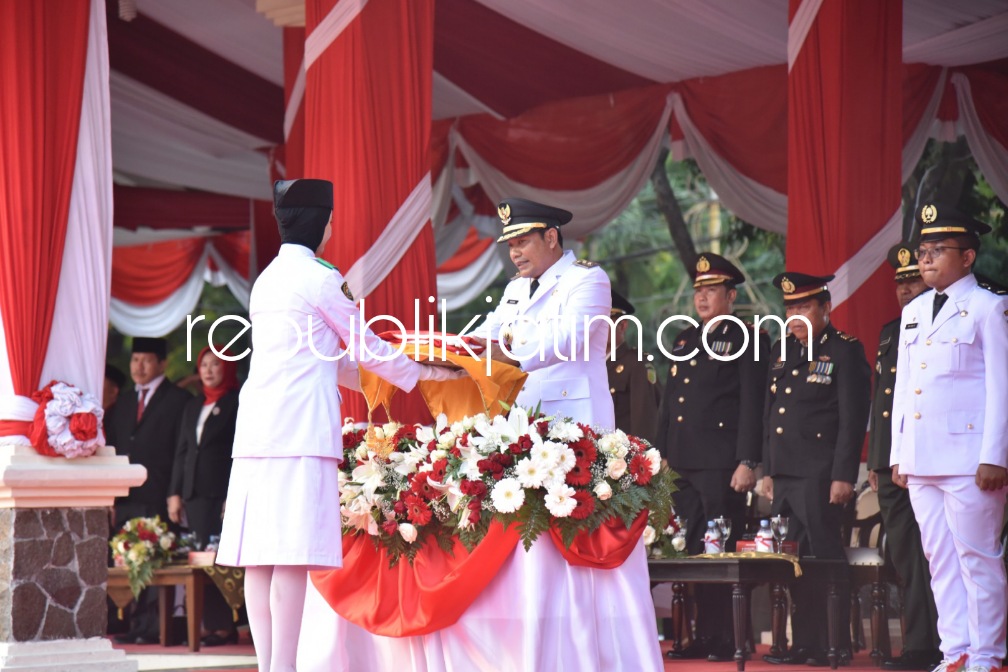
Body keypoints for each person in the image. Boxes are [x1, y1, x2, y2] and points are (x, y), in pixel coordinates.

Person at [215, 178, 457, 672]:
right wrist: (431, 373)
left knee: (260, 556)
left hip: (258, 430)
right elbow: (363, 348)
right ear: (322, 223)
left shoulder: (267, 280)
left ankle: (270, 667)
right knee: (290, 553)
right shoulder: (323, 278)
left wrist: (394, 377)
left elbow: (328, 359)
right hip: (299, 431)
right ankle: (282, 669)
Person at [890, 202, 1008, 672]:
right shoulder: (914, 310)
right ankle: (955, 650)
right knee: (939, 560)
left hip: (968, 457)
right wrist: (900, 451)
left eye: (938, 250)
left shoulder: (990, 306)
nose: (927, 258)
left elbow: (1001, 385)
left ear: (968, 257)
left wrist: (996, 455)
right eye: (923, 250)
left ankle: (988, 654)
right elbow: (904, 387)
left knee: (977, 559)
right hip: (922, 458)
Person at [656, 252, 769, 662]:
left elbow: (752, 405)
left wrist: (748, 460)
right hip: (683, 461)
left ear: (731, 295)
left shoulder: (748, 337)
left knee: (719, 553)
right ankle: (702, 636)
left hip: (722, 463)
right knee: (690, 551)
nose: (702, 298)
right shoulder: (684, 337)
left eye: (711, 290)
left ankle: (727, 638)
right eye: (698, 290)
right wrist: (663, 451)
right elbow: (671, 403)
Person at [761, 272, 871, 667]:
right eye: (790, 308)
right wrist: (767, 470)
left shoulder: (844, 350)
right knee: (792, 563)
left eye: (803, 306)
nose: (795, 315)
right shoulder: (782, 349)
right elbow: (769, 414)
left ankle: (835, 643)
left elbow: (852, 419)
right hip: (786, 474)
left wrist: (844, 474)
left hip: (821, 474)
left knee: (824, 559)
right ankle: (804, 643)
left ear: (825, 308)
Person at [866, 242, 941, 671]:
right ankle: (918, 645)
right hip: (891, 462)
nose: (906, 289)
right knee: (905, 557)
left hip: (929, 458)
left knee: (938, 555)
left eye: (912, 278)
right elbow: (885, 402)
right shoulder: (891, 331)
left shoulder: (939, 324)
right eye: (900, 283)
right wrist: (880, 459)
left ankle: (946, 643)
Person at [105, 336, 192, 644]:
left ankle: (157, 626)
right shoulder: (125, 401)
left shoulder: (179, 400)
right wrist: (112, 497)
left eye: (145, 360)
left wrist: (175, 493)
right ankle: (136, 624)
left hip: (159, 493)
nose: (138, 366)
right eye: (134, 360)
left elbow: (183, 451)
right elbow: (112, 449)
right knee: (128, 559)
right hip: (127, 496)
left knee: (157, 560)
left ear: (162, 363)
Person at [168, 345, 241, 646]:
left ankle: (225, 627)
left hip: (222, 494)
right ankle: (207, 625)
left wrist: (233, 492)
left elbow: (239, 452)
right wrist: (174, 493)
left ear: (227, 368)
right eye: (204, 365)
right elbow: (182, 451)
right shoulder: (193, 405)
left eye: (216, 364)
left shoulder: (237, 403)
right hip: (194, 495)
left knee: (220, 562)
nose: (209, 370)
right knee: (199, 561)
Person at [607, 289, 662, 444]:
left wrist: (639, 461)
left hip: (625, 461)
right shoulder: (589, 365)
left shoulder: (637, 363)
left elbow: (645, 422)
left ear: (623, 326)